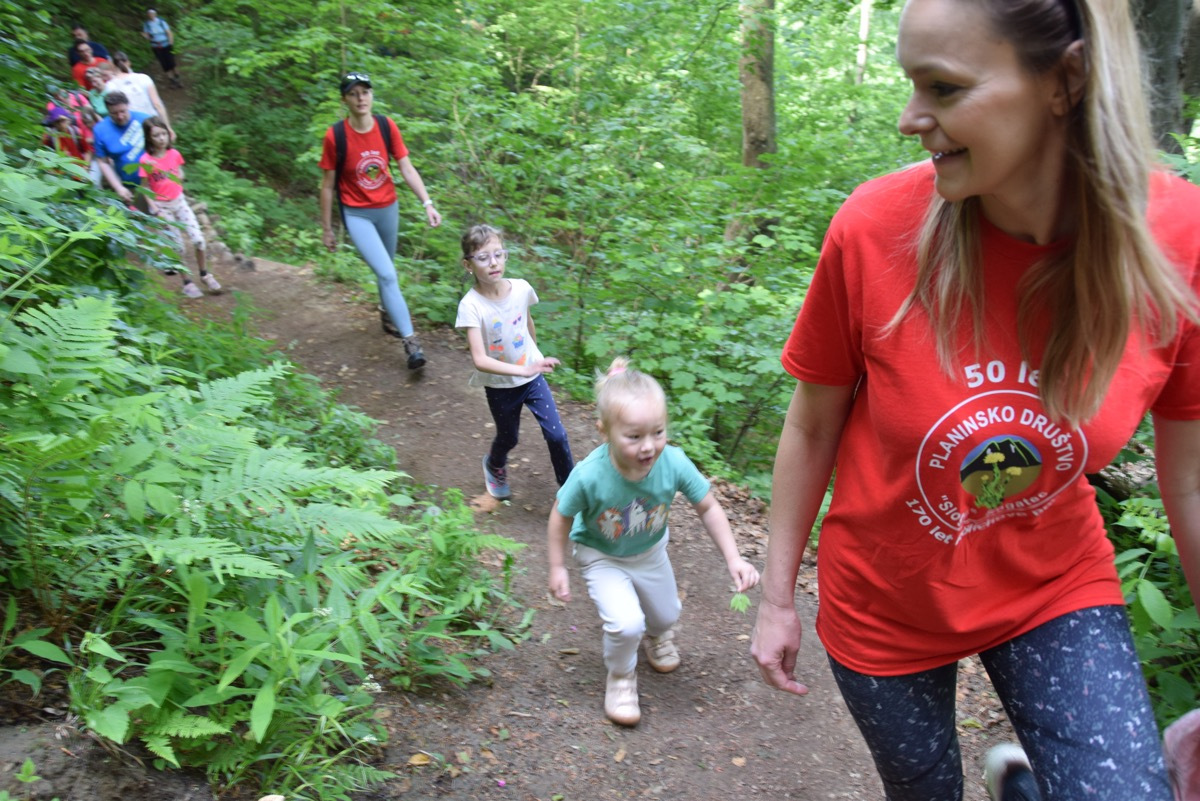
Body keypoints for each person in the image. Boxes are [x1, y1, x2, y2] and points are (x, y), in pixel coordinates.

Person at [750, 1, 1200, 800]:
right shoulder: (875, 228)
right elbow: (813, 426)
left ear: (1064, 81)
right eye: (910, 84)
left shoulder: (1177, 242)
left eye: (945, 88)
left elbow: (1193, 481)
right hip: (885, 598)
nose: (909, 118)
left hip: (1053, 583)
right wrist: (776, 597)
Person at [548, 358, 760, 726]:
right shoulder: (589, 475)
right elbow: (560, 515)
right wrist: (557, 566)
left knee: (666, 616)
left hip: (649, 552)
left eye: (658, 432)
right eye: (634, 437)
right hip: (601, 555)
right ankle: (620, 677)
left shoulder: (673, 463)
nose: (649, 446)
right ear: (604, 431)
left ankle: (658, 637)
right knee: (625, 624)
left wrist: (734, 558)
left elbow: (708, 506)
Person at [318, 72, 441, 370]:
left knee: (387, 268)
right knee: (387, 274)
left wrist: (427, 203)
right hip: (357, 213)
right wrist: (327, 229)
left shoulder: (386, 127)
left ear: (372, 96)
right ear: (344, 100)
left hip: (388, 208)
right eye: (353, 93)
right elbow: (327, 185)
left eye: (365, 92)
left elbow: (407, 168)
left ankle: (386, 310)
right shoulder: (335, 136)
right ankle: (411, 342)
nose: (360, 98)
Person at [455, 224, 575, 498]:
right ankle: (494, 464)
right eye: (483, 257)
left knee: (557, 435)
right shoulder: (471, 306)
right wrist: (523, 369)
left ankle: (570, 491)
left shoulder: (521, 289)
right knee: (509, 437)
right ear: (468, 265)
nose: (493, 262)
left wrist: (536, 358)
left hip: (532, 379)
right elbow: (479, 359)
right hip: (500, 386)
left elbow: (527, 322)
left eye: (499, 254)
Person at [139, 116, 218, 298]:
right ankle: (187, 282)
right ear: (149, 138)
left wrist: (178, 177)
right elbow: (144, 188)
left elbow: (180, 170)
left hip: (179, 201)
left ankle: (205, 274)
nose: (161, 139)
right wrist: (155, 210)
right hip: (162, 207)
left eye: (164, 134)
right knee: (178, 247)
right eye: (156, 135)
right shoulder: (146, 160)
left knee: (199, 240)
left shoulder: (174, 154)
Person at [92, 91, 150, 209]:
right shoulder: (100, 130)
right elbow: (103, 162)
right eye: (114, 113)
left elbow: (164, 147)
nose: (120, 116)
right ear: (108, 111)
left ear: (128, 105)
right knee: (144, 216)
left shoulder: (145, 119)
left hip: (157, 179)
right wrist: (118, 187)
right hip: (131, 185)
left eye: (123, 111)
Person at [107, 52, 173, 139]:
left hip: (132, 128)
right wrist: (167, 127)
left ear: (113, 66)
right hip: (153, 123)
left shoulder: (111, 85)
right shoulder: (144, 78)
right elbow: (157, 105)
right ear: (129, 62)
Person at [41, 106, 93, 171]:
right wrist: (50, 171)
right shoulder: (49, 136)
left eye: (63, 120)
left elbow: (88, 151)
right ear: (53, 123)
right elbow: (43, 156)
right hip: (59, 173)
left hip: (79, 170)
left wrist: (86, 166)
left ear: (68, 120)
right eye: (57, 121)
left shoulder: (76, 131)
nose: (60, 124)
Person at [141, 9, 181, 88]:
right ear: (147, 15)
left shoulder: (161, 22)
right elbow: (147, 36)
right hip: (156, 46)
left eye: (152, 13)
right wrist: (145, 36)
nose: (151, 15)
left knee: (171, 62)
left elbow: (169, 33)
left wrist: (170, 43)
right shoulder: (147, 24)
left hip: (166, 45)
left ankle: (178, 78)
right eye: (149, 14)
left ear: (155, 14)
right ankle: (172, 80)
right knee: (164, 63)